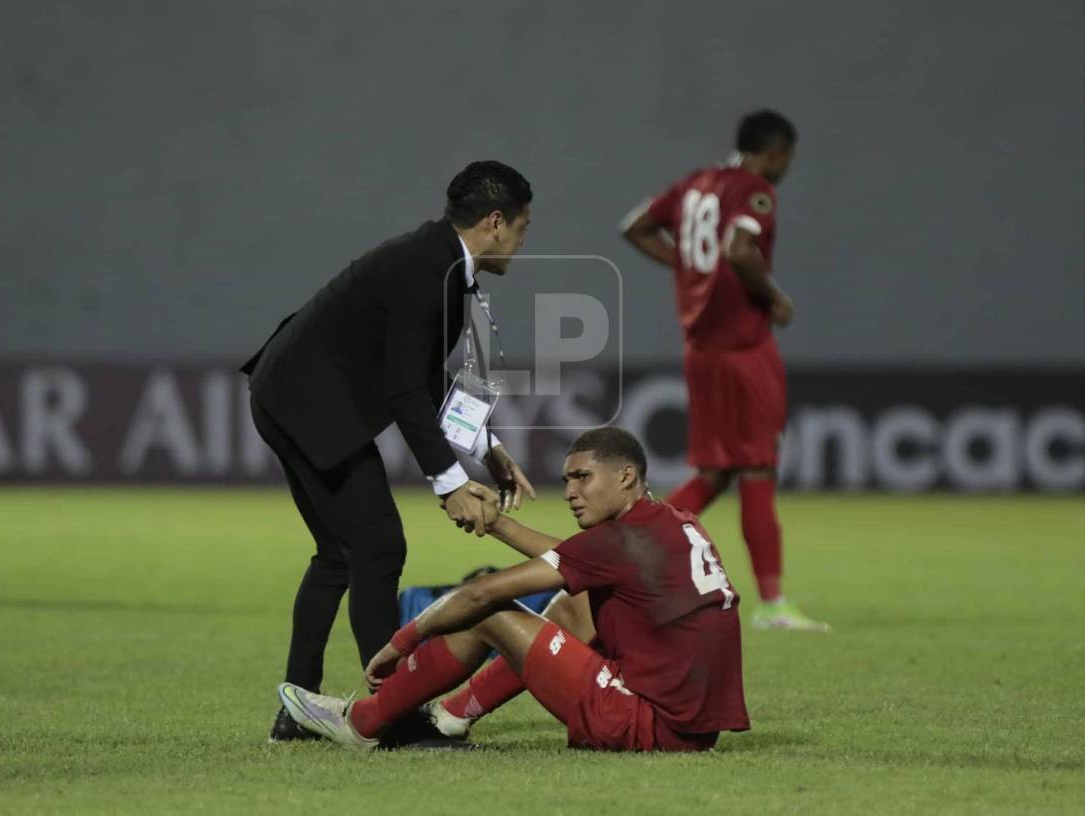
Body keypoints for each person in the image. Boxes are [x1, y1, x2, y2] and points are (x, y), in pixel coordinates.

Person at [242, 161, 538, 741]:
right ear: (495, 222)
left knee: (339, 555)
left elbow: (424, 377)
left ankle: (296, 711)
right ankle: (394, 717)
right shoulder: (429, 271)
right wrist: (450, 484)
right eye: (523, 227)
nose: (524, 242)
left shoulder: (437, 260)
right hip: (308, 405)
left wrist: (486, 448)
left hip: (287, 393)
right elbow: (405, 390)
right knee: (378, 547)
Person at [276, 427, 750, 752]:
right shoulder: (670, 523)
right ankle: (452, 716)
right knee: (573, 606)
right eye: (567, 480)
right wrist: (497, 523)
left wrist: (402, 642)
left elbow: (481, 593)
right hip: (692, 728)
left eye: (583, 477)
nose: (571, 492)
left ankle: (361, 722)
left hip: (646, 724)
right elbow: (575, 556)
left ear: (626, 476)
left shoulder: (620, 541)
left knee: (492, 612)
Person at [619, 110, 828, 632]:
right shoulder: (755, 190)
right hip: (744, 348)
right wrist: (775, 298)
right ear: (774, 154)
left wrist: (687, 265)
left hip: (700, 350)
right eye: (787, 159)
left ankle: (631, 544)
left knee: (714, 473)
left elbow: (636, 226)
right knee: (757, 468)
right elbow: (739, 248)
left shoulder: (695, 184)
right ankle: (773, 604)